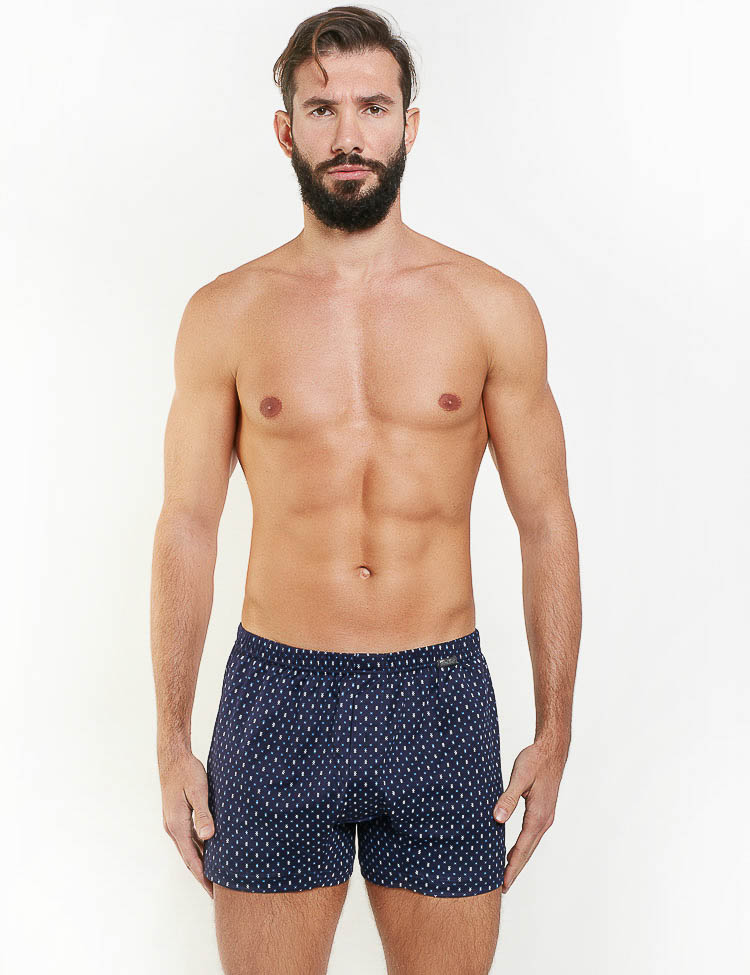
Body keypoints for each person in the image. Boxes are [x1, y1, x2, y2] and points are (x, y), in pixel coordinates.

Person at [150, 7, 581, 974]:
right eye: (322, 109)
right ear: (285, 130)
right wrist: (171, 738)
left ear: (409, 125)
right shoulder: (225, 313)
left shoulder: (490, 308)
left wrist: (555, 731)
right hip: (277, 691)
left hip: (440, 693)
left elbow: (546, 521)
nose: (349, 134)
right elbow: (187, 525)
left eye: (373, 107)